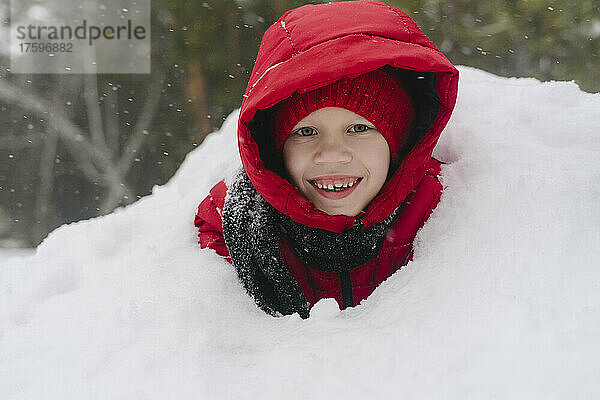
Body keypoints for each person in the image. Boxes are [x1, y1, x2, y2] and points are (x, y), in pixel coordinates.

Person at [194, 0, 458, 319]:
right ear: (278, 150)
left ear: (398, 144)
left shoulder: (440, 206)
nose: (331, 154)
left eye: (358, 128)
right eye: (306, 132)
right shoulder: (241, 222)